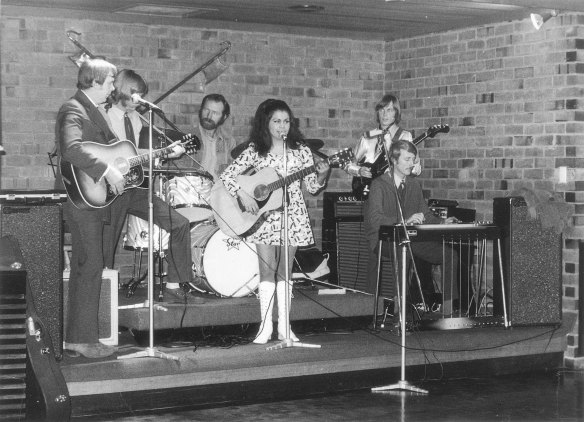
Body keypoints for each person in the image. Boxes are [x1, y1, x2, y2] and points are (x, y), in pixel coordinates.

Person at [55, 60, 188, 359]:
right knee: (90, 265)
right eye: (111, 82)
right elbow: (72, 149)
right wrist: (107, 171)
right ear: (96, 81)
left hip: (93, 198)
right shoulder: (73, 109)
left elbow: (119, 153)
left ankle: (78, 337)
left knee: (88, 265)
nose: (114, 87)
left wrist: (162, 153)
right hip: (82, 197)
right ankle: (82, 339)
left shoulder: (94, 112)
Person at [219, 99, 330, 344]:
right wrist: (243, 193)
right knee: (266, 270)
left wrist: (321, 174)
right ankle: (265, 327)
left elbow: (311, 187)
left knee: (285, 272)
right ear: (266, 123)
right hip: (265, 217)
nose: (283, 127)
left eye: (286, 121)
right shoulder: (255, 150)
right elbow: (228, 176)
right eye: (277, 121)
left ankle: (285, 327)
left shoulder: (300, 151)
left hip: (293, 214)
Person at [101, 69, 194, 294]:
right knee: (107, 243)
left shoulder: (136, 117)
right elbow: (105, 152)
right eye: (135, 94)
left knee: (179, 223)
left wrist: (165, 153)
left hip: (135, 189)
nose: (139, 100)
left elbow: (135, 154)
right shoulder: (102, 114)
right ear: (122, 90)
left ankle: (173, 284)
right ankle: (103, 293)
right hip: (110, 188)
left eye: (141, 94)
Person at [363, 139, 459, 315]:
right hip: (383, 239)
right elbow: (376, 219)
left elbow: (425, 214)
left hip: (409, 238)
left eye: (413, 159)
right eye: (407, 159)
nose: (412, 164)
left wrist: (441, 222)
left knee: (449, 255)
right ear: (394, 160)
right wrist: (405, 220)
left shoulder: (414, 184)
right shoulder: (379, 184)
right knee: (403, 252)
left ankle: (447, 311)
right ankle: (401, 310)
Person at [345, 94, 420, 198]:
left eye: (389, 110)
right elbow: (348, 165)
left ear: (396, 113)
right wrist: (359, 171)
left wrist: (412, 163)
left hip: (394, 193)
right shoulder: (367, 138)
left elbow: (416, 170)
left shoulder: (404, 136)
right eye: (381, 110)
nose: (384, 115)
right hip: (369, 193)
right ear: (377, 113)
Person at [172, 93, 235, 181]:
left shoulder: (228, 142)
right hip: (192, 190)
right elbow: (175, 172)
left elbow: (232, 173)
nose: (209, 116)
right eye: (206, 110)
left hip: (218, 191)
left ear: (224, 117)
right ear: (201, 110)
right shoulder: (185, 137)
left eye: (215, 113)